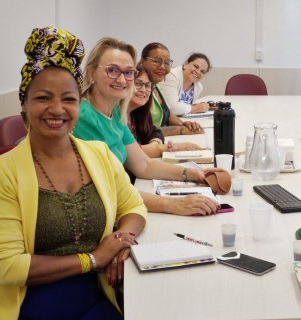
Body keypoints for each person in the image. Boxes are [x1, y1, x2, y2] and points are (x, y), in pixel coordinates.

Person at [0, 27, 147, 320]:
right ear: (24, 103)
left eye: (69, 99)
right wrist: (93, 259)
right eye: (43, 98)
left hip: (93, 304)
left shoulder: (100, 155)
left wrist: (120, 240)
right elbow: (6, 266)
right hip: (21, 312)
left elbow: (133, 205)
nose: (57, 109)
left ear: (78, 105)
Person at [73, 37, 225, 216]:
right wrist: (175, 204)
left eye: (129, 72)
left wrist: (195, 174)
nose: (122, 80)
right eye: (112, 70)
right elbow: (109, 189)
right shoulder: (84, 117)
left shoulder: (114, 112)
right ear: (91, 73)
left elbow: (143, 165)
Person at [128, 62, 202, 158]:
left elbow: (155, 132)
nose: (162, 67)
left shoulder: (138, 112)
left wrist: (154, 144)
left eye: (147, 85)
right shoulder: (117, 117)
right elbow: (130, 154)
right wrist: (167, 148)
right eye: (137, 84)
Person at [140, 42, 203, 136]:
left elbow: (168, 114)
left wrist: (182, 124)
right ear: (142, 62)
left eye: (167, 63)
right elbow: (142, 132)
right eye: (156, 61)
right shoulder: (139, 91)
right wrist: (180, 130)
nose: (162, 67)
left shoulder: (156, 87)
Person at [158, 52, 212, 117]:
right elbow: (171, 108)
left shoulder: (198, 87)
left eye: (202, 71)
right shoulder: (171, 75)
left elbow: (186, 112)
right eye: (196, 66)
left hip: (181, 121)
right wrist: (195, 108)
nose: (198, 72)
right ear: (185, 64)